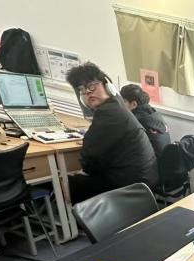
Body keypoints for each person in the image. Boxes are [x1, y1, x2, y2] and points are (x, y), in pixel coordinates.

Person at [65, 62, 157, 203]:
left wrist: (83, 171)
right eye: (82, 90)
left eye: (91, 86)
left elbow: (89, 158)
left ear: (107, 86)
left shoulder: (108, 112)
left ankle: (62, 217)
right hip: (142, 180)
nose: (87, 93)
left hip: (129, 185)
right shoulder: (117, 106)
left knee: (65, 183)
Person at [120, 84, 171, 159]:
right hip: (165, 161)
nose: (120, 105)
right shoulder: (153, 112)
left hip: (152, 163)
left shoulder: (136, 121)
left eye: (123, 102)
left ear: (134, 104)